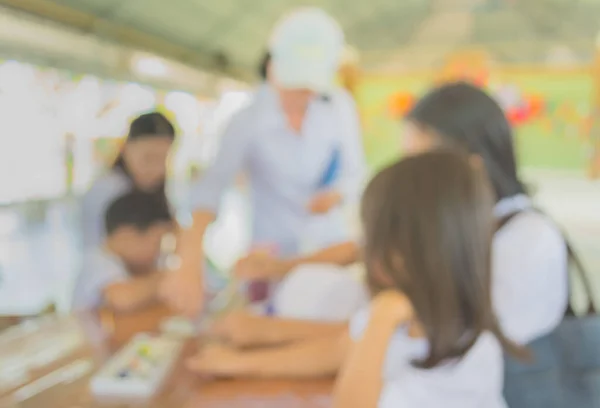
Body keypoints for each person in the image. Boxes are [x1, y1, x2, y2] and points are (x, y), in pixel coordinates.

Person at [187, 82, 568, 380]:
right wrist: (277, 280)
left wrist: (265, 339)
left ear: (470, 169)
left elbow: (414, 349)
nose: (410, 182)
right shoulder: (460, 224)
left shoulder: (527, 244)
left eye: (420, 167)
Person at [191, 151, 526, 407]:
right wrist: (238, 363)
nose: (365, 250)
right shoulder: (409, 313)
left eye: (374, 235)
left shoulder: (467, 356)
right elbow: (337, 350)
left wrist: (381, 318)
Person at [161, 8, 366, 316]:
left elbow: (355, 172)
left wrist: (337, 194)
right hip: (270, 253)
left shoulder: (339, 107)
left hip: (327, 249)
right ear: (273, 68)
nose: (304, 94)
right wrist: (189, 259)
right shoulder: (247, 119)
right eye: (297, 84)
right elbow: (212, 186)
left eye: (310, 86)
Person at [81, 112, 175, 248]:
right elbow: (96, 253)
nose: (156, 169)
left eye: (163, 159)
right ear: (126, 149)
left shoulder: (157, 193)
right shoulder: (106, 190)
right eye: (148, 158)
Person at [72, 191, 173, 311]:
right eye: (157, 242)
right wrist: (168, 277)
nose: (158, 252)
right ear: (126, 235)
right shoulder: (98, 261)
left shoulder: (127, 264)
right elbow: (122, 299)